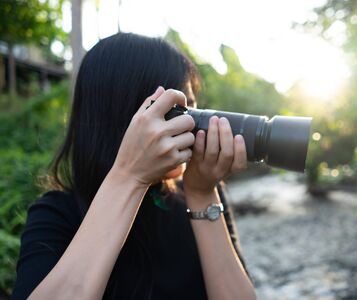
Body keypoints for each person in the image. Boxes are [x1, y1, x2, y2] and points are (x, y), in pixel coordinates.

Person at [11, 33, 256, 300]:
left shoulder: (200, 195)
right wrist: (130, 175)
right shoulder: (57, 214)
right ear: (126, 114)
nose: (193, 127)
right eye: (181, 111)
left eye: (195, 109)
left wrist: (202, 194)